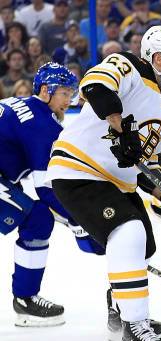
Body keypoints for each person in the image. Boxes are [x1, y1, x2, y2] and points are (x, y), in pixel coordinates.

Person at [46, 26, 161, 341]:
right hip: (78, 171)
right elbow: (95, 86)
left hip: (117, 182)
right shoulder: (129, 66)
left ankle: (119, 313)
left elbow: (148, 164)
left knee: (143, 243)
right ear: (158, 58)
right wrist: (119, 127)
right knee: (128, 231)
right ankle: (135, 325)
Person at [0, 63, 102, 327]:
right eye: (65, 94)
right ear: (46, 91)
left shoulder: (19, 102)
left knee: (37, 217)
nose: (70, 100)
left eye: (71, 94)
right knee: (39, 219)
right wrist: (80, 220)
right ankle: (25, 299)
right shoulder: (42, 124)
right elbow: (47, 188)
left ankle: (25, 297)